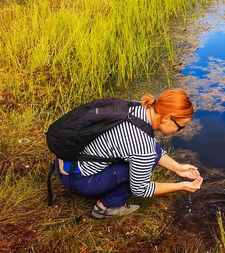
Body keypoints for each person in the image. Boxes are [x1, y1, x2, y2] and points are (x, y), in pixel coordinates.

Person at [54, 89, 204, 219]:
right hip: (79, 181)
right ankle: (106, 208)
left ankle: (104, 186)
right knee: (146, 165)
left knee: (147, 157)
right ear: (166, 118)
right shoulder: (143, 146)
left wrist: (178, 168)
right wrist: (181, 186)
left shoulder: (138, 107)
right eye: (180, 126)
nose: (180, 131)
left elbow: (149, 146)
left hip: (65, 161)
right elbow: (142, 189)